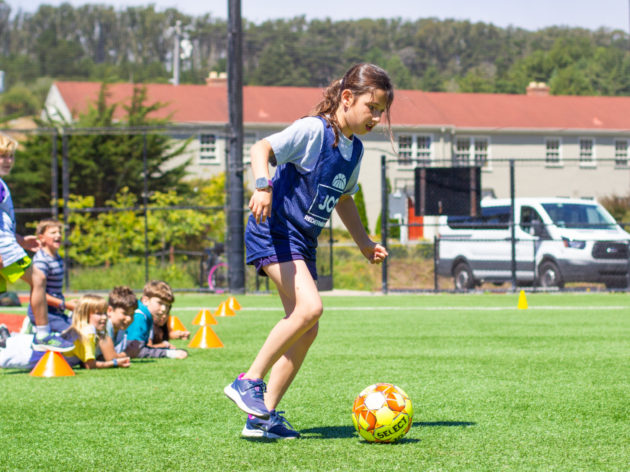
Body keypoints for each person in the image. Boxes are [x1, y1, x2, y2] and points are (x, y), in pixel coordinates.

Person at [224, 63, 393, 439]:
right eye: (372, 107)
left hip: (302, 240)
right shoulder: (314, 130)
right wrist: (263, 185)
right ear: (347, 98)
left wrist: (364, 242)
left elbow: (344, 198)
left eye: (382, 111)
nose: (377, 118)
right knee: (311, 308)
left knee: (307, 328)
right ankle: (247, 381)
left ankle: (261, 418)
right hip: (273, 230)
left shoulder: (354, 150)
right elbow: (261, 148)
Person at [0, 134, 73, 352]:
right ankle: (42, 335)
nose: (7, 161)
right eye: (2, 156)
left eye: (10, 156)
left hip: (8, 245)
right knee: (39, 278)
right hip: (4, 249)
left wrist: (21, 240)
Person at [1, 294, 131, 369]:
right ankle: (6, 338)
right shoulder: (88, 333)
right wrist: (114, 363)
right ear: (85, 315)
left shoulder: (86, 330)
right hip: (35, 357)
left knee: (10, 345)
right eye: (98, 314)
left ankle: (7, 338)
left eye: (104, 313)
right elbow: (89, 365)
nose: (104, 317)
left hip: (32, 348)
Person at [25, 218, 78, 334]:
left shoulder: (57, 257)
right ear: (41, 237)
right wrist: (65, 304)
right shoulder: (41, 260)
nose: (58, 235)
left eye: (59, 232)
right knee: (74, 334)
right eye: (53, 233)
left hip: (56, 311)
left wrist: (64, 302)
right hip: (43, 312)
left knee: (83, 326)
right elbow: (40, 293)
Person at [125, 280, 187, 359]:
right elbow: (135, 352)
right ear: (145, 300)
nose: (164, 309)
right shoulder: (139, 317)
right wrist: (169, 353)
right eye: (160, 303)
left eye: (167, 305)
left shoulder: (146, 315)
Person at [95, 285, 138, 360]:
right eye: (125, 313)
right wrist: (128, 353)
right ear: (110, 310)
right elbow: (111, 358)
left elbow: (102, 357)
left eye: (132, 314)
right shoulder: (105, 325)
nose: (129, 318)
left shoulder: (120, 327)